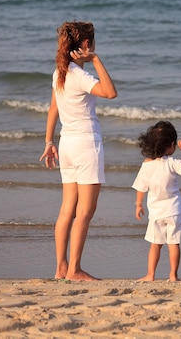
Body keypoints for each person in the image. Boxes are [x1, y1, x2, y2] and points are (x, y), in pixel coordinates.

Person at [40, 21, 118, 281]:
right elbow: (110, 92)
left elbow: (53, 109)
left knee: (66, 210)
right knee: (85, 211)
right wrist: (95, 60)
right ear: (86, 45)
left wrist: (49, 142)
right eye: (92, 44)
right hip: (86, 145)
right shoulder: (80, 75)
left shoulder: (59, 72)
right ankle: (74, 269)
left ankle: (60, 268)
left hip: (66, 145)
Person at [132, 121, 181, 282]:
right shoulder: (172, 162)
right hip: (175, 211)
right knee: (173, 243)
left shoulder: (147, 165)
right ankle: (173, 275)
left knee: (155, 244)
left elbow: (142, 187)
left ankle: (150, 274)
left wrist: (138, 204)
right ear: (170, 145)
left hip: (156, 213)